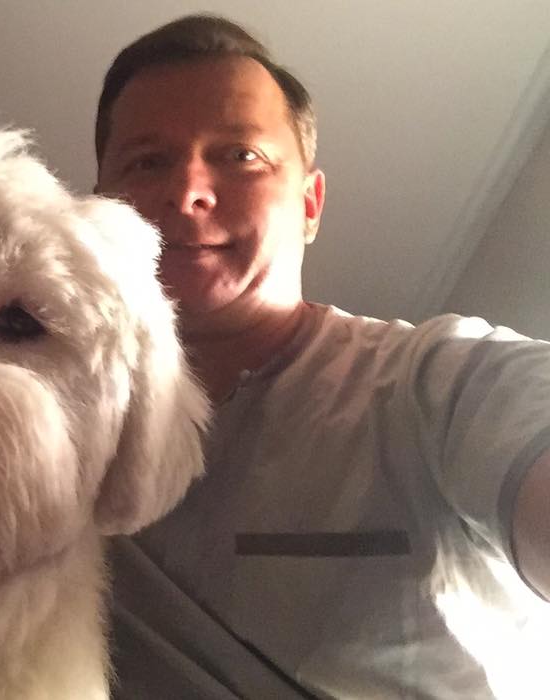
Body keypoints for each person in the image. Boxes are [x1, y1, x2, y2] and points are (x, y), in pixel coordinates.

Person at [94, 14, 550, 699]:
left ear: (309, 204)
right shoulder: (49, 425)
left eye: (240, 155)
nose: (187, 192)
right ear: (96, 211)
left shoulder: (440, 384)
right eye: (147, 161)